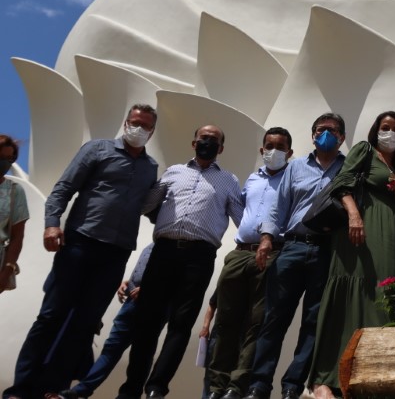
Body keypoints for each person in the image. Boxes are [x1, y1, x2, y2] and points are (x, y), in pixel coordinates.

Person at [5, 105, 159, 399]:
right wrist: (52, 225)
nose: (138, 130)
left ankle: (53, 388)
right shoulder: (98, 150)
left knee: (84, 323)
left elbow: (150, 208)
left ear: (152, 132)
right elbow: (63, 188)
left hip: (116, 253)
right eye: (135, 123)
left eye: (145, 127)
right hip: (80, 242)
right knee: (51, 315)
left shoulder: (150, 168)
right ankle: (21, 388)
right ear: (126, 122)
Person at [118, 124, 243, 399]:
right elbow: (147, 204)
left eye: (214, 140)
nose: (207, 143)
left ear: (221, 148)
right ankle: (131, 387)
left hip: (199, 256)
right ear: (193, 142)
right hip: (163, 252)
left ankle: (156, 388)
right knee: (146, 322)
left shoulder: (229, 181)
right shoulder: (174, 171)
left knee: (181, 323)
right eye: (203, 138)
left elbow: (242, 220)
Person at [307, 111, 395, 398]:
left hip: (388, 235)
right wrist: (354, 216)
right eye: (384, 127)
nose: (389, 132)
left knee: (380, 298)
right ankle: (324, 377)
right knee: (348, 294)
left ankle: (365, 373)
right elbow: (342, 183)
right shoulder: (365, 150)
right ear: (376, 130)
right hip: (359, 229)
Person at [246, 113, 347, 399]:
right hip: (293, 246)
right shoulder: (296, 166)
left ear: (341, 137)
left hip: (327, 250)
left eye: (333, 130)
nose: (326, 134)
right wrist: (267, 237)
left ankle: (293, 384)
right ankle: (259, 383)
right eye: (320, 130)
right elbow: (278, 205)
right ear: (313, 134)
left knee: (314, 321)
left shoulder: (348, 168)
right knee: (274, 317)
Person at [206, 127, 294, 399]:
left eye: (280, 147)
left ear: (289, 152)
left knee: (257, 323)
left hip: (272, 254)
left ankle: (237, 384)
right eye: (269, 146)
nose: (274, 151)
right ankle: (215, 385)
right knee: (226, 320)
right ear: (261, 149)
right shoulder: (252, 179)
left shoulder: (294, 178)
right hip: (240, 252)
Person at [65, 244, 154, 398]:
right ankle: (81, 391)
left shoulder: (178, 247)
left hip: (153, 307)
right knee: (111, 348)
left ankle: (128, 395)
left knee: (141, 354)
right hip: (131, 304)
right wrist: (128, 283)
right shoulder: (153, 244)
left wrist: (151, 288)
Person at [0, 134, 28, 295]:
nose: (4, 163)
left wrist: (8, 269)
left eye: (9, 159)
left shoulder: (14, 191)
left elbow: (17, 237)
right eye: (1, 157)